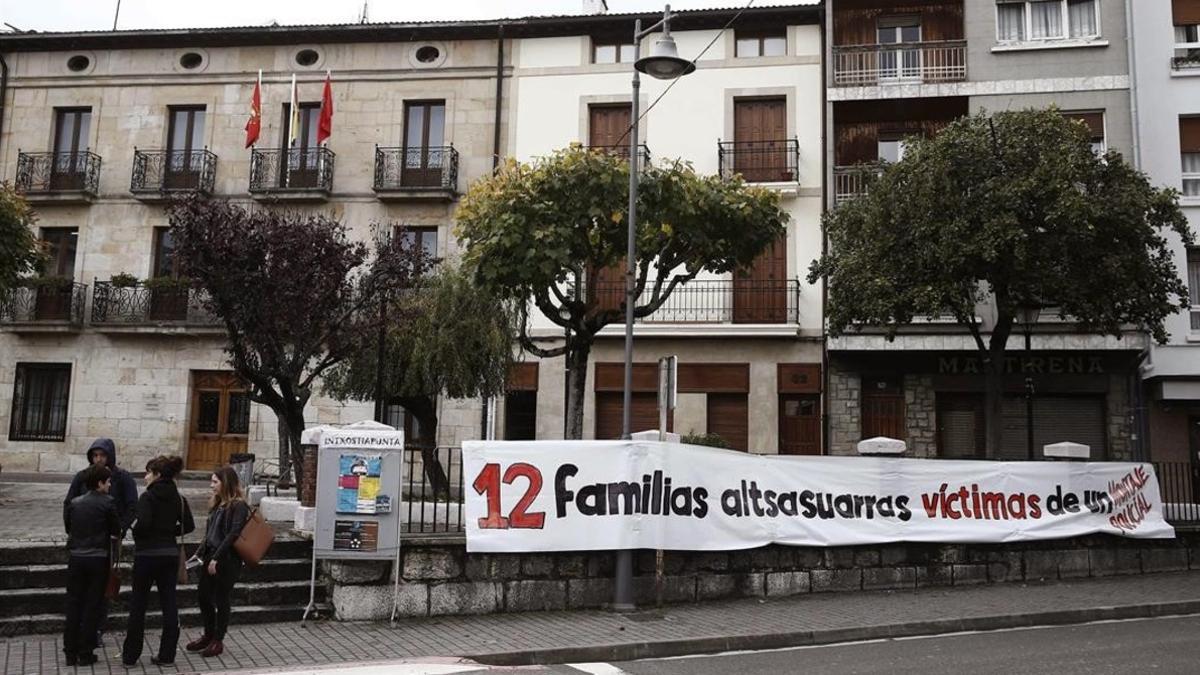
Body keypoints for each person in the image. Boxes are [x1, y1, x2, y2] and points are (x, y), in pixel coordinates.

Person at [122, 456, 194, 668]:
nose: (145, 477)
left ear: (158, 475)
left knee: (138, 604)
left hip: (146, 555)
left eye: (148, 473)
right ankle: (167, 654)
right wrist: (167, 532)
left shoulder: (148, 497)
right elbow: (188, 525)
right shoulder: (179, 498)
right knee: (169, 603)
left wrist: (138, 531)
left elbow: (143, 524)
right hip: (169, 554)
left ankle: (130, 655)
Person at [187, 466, 251, 658]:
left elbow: (233, 534)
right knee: (203, 596)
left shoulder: (238, 505)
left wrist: (216, 558)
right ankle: (208, 634)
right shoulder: (217, 504)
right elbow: (209, 535)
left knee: (221, 598)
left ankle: (218, 639)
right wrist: (198, 554)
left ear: (226, 483)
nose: (212, 485)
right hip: (210, 555)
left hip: (227, 559)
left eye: (215, 481)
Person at [63, 464, 120, 666]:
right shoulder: (108, 503)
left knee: (73, 604)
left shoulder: (75, 503)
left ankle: (70, 651)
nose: (110, 485)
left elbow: (68, 526)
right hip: (97, 558)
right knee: (92, 605)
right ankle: (86, 652)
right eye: (108, 481)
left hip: (77, 557)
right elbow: (116, 529)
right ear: (100, 483)